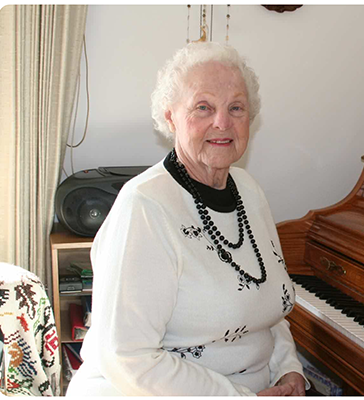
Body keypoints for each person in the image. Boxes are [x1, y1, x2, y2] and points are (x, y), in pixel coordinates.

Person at [66, 42, 308, 396]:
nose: (222, 123)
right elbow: (126, 357)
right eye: (203, 107)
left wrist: (289, 369)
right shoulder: (145, 207)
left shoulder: (249, 191)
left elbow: (267, 306)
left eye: (236, 107)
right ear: (170, 117)